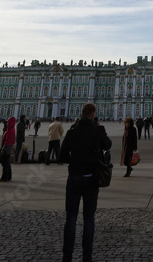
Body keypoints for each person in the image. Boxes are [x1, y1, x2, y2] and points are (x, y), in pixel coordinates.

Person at [60, 103, 111, 262]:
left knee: (71, 218)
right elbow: (108, 145)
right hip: (91, 178)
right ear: (93, 115)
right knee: (89, 218)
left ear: (81, 114)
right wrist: (99, 127)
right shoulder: (97, 130)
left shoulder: (72, 131)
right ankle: (87, 257)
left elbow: (62, 156)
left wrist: (75, 161)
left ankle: (67, 257)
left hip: (74, 177)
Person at [0, 116, 16, 181]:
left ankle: (4, 177)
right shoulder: (11, 129)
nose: (7, 123)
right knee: (7, 163)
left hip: (7, 149)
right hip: (9, 149)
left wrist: (3, 149)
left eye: (8, 122)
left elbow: (7, 141)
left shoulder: (10, 131)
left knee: (5, 164)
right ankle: (8, 176)